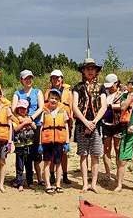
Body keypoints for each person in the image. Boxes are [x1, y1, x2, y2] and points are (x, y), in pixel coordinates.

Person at [71, 58, 107, 193]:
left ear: (96, 71)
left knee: (95, 155)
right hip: (81, 124)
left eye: (93, 69)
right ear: (83, 71)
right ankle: (85, 183)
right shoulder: (77, 87)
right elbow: (74, 107)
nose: (90, 71)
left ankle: (94, 184)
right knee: (83, 154)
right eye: (88, 69)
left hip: (96, 125)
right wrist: (86, 122)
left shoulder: (101, 87)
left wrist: (94, 122)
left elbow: (104, 106)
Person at [12, 70, 45, 185]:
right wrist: (21, 119)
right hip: (21, 127)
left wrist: (30, 119)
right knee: (21, 153)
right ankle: (20, 178)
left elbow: (41, 107)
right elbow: (13, 110)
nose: (29, 80)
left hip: (35, 125)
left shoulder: (38, 92)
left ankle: (39, 178)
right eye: (26, 78)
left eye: (30, 77)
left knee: (35, 153)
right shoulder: (17, 93)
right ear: (21, 80)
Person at [46, 69, 73, 184]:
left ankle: (65, 174)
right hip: (50, 125)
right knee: (51, 152)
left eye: (58, 77)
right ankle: (52, 175)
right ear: (51, 79)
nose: (56, 79)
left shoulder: (68, 91)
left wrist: (70, 122)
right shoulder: (47, 92)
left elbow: (71, 107)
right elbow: (45, 107)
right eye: (54, 78)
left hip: (64, 123)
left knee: (63, 152)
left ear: (62, 79)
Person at [40, 89, 70, 193]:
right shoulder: (44, 112)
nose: (53, 100)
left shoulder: (63, 111)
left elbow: (66, 126)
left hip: (59, 141)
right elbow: (41, 128)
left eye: (56, 99)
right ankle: (48, 185)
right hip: (47, 142)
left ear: (59, 100)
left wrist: (67, 142)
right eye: (52, 98)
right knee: (47, 163)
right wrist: (40, 144)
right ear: (48, 99)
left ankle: (58, 184)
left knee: (58, 163)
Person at [100, 73, 124, 181]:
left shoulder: (123, 92)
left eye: (111, 85)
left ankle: (119, 173)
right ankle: (108, 174)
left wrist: (110, 106)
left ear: (116, 83)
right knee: (107, 149)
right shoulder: (104, 92)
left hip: (118, 124)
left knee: (118, 149)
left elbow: (125, 106)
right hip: (106, 124)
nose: (110, 87)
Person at [11, 98, 36, 191]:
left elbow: (34, 127)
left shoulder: (29, 118)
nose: (22, 110)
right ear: (17, 109)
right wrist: (23, 123)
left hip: (29, 145)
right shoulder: (15, 119)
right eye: (20, 108)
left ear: (27, 109)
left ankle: (30, 182)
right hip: (19, 146)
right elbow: (15, 129)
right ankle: (20, 183)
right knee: (19, 166)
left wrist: (28, 121)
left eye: (24, 108)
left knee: (29, 166)